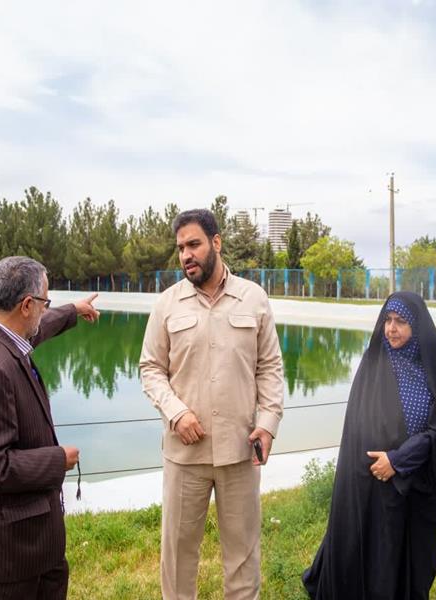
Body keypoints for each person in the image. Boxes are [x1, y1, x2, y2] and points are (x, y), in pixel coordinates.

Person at [139, 208, 284, 600]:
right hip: (185, 453)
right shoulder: (167, 304)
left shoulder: (254, 299)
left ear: (216, 243)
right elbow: (151, 368)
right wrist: (176, 413)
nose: (186, 255)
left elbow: (270, 366)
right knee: (178, 558)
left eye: (194, 244)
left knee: (243, 558)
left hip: (240, 450)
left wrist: (268, 423)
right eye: (180, 248)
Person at [0, 255, 100, 600]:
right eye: (46, 303)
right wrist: (57, 459)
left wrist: (72, 311)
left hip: (29, 539)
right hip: (9, 551)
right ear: (27, 305)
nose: (47, 310)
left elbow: (35, 330)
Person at [302, 291, 436, 600]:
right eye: (387, 320)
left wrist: (399, 460)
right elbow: (358, 430)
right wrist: (384, 463)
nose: (391, 329)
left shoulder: (434, 370)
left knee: (410, 557)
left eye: (401, 321)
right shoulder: (373, 366)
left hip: (417, 481)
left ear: (417, 326)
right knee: (375, 553)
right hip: (373, 481)